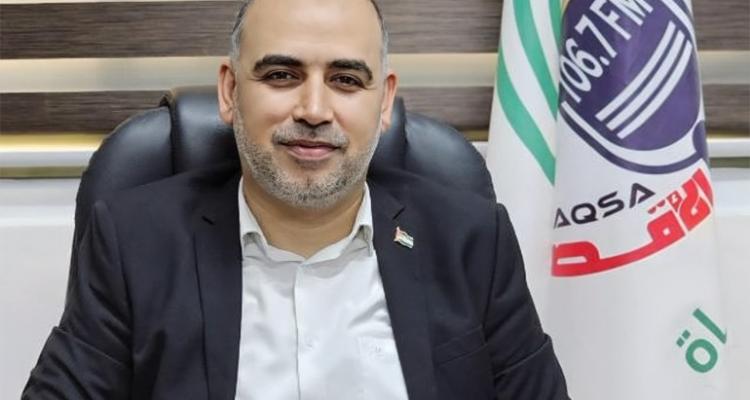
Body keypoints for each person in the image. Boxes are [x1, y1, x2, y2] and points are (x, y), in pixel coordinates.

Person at [23, 0, 569, 398]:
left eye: (346, 80)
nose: (313, 109)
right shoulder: (134, 242)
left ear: (385, 102)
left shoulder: (472, 240)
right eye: (282, 75)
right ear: (230, 91)